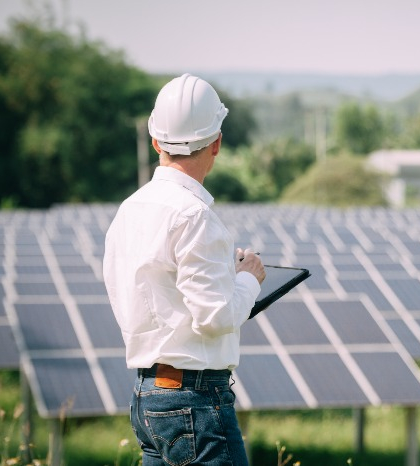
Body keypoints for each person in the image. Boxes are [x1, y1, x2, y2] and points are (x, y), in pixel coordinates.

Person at [103, 73, 265, 466]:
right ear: (217, 145)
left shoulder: (129, 210)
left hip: (147, 396)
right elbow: (215, 316)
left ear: (156, 141)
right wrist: (248, 278)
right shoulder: (194, 217)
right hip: (193, 400)